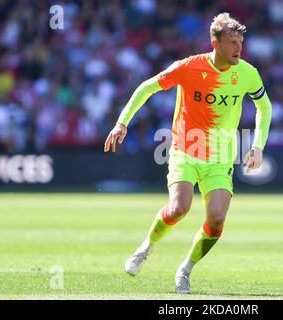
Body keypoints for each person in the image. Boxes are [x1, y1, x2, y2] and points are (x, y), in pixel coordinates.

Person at [104, 12, 272, 294]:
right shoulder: (189, 67)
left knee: (217, 220)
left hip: (220, 157)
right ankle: (145, 248)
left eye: (241, 42)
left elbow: (264, 107)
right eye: (232, 42)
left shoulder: (247, 73)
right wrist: (122, 123)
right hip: (186, 149)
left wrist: (257, 146)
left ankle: (185, 270)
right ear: (215, 42)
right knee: (179, 208)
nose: (238, 48)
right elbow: (147, 87)